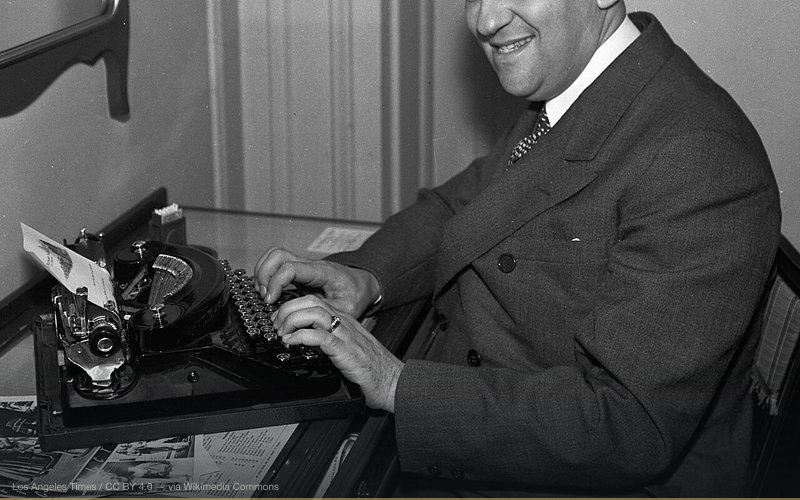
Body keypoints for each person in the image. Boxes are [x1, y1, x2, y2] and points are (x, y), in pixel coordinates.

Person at [254, 0, 781, 496]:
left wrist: (395, 382)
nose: (484, 19)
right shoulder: (579, 89)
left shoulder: (701, 156)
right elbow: (460, 207)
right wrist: (366, 277)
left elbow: (627, 424)